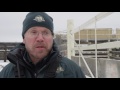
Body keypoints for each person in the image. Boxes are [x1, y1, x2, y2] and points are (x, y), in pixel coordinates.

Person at [0, 12, 86, 78]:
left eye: (45, 33)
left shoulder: (72, 70)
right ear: (23, 38)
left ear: (52, 37)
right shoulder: (7, 73)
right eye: (34, 32)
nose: (40, 38)